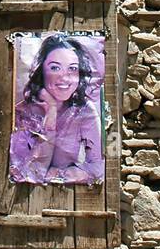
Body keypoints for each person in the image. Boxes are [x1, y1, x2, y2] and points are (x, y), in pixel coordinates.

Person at [10, 35, 104, 185]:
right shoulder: (24, 111)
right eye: (55, 68)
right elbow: (28, 173)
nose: (64, 78)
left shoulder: (83, 110)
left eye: (72, 69)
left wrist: (60, 174)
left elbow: (98, 168)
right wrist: (51, 111)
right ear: (42, 71)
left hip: (66, 197)